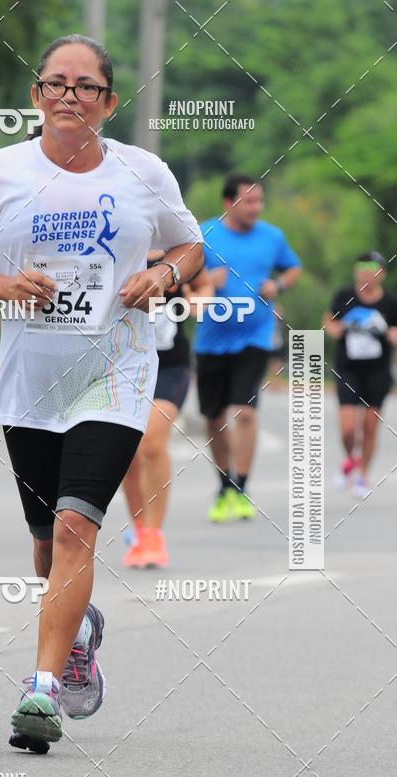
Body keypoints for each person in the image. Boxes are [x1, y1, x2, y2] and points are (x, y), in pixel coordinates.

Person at [0, 34, 203, 753]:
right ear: (36, 96)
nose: (70, 96)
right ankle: (78, 629)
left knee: (76, 528)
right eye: (56, 83)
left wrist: (163, 275)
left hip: (116, 373)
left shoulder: (143, 172)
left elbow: (190, 246)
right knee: (44, 542)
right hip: (32, 383)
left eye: (87, 86)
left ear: (108, 103)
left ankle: (43, 688)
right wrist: (5, 285)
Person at [191, 174, 301, 522]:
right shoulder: (204, 235)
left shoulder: (272, 236)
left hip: (255, 337)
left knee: (245, 412)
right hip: (211, 340)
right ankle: (225, 484)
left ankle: (241, 486)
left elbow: (293, 268)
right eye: (248, 201)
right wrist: (206, 282)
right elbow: (183, 281)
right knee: (214, 418)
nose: (256, 207)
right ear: (228, 203)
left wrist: (278, 285)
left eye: (259, 201)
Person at [122, 250, 192, 568]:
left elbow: (203, 286)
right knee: (126, 452)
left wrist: (196, 301)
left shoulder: (178, 248)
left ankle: (153, 535)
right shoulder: (120, 246)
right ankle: (140, 529)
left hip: (169, 367)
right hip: (126, 365)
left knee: (151, 442)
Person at [324, 251, 397, 497]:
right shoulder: (344, 296)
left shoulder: (390, 303)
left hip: (378, 371)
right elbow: (329, 321)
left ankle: (362, 476)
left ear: (382, 274)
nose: (367, 273)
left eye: (373, 268)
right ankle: (352, 459)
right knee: (347, 428)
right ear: (356, 271)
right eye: (362, 267)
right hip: (348, 369)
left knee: (370, 425)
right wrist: (337, 329)